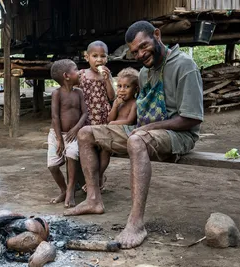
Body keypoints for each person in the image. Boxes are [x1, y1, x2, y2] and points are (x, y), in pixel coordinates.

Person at [64, 21, 204, 250]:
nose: (140, 54)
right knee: (86, 133)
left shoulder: (184, 65)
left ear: (157, 35)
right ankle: (93, 199)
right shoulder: (146, 72)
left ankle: (136, 223)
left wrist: (146, 129)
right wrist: (126, 119)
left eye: (143, 46)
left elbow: (192, 118)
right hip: (144, 130)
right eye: (135, 51)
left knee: (136, 140)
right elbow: (141, 113)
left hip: (180, 134)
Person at [47, 59, 87, 208]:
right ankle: (63, 189)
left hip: (74, 134)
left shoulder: (79, 93)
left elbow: (85, 113)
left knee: (72, 156)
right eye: (76, 69)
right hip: (56, 134)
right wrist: (59, 139)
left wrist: (76, 129)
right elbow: (55, 117)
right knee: (52, 166)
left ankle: (70, 190)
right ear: (66, 76)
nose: (79, 72)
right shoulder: (57, 94)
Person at [79, 40, 115, 192]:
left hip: (103, 117)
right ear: (87, 57)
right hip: (87, 117)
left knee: (104, 149)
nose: (99, 60)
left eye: (103, 56)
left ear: (107, 58)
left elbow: (112, 97)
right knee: (89, 149)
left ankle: (99, 176)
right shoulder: (81, 74)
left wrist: (107, 80)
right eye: (95, 56)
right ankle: (92, 179)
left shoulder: (106, 75)